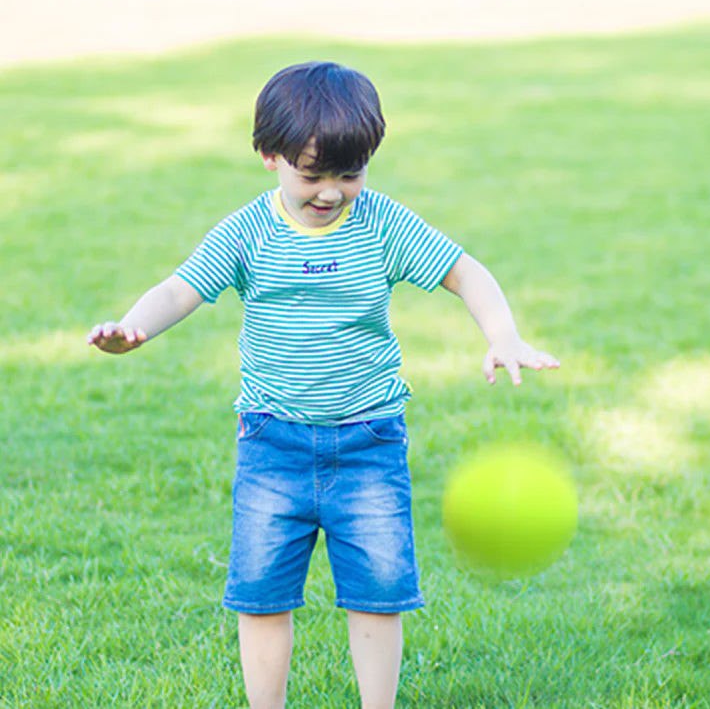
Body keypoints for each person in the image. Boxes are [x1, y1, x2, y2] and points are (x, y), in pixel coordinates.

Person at [87, 61, 559, 709]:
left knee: (377, 594)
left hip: (369, 443)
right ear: (269, 156)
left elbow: (464, 271)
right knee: (260, 596)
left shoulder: (384, 224)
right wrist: (131, 329)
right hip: (271, 445)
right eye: (312, 174)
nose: (332, 192)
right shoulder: (247, 232)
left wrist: (502, 334)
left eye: (350, 173)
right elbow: (178, 288)